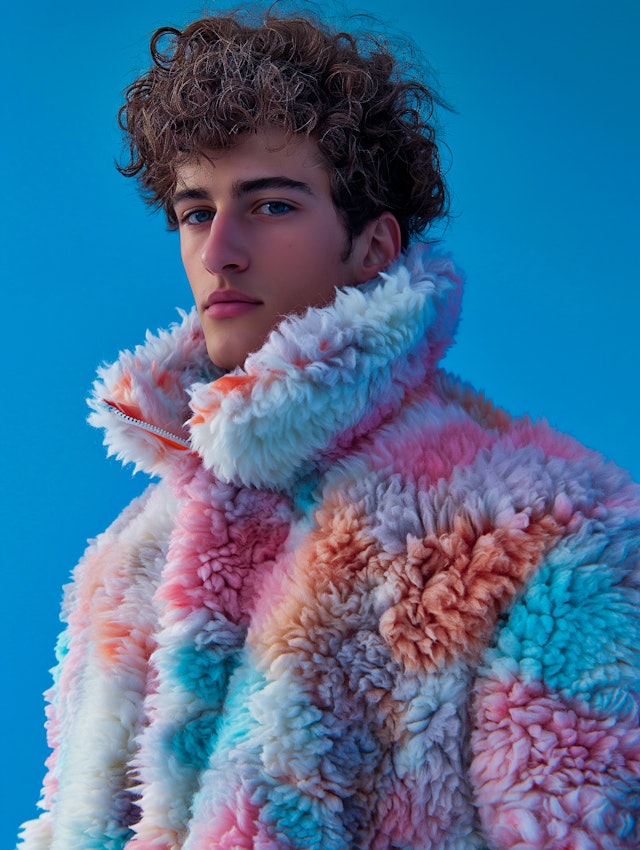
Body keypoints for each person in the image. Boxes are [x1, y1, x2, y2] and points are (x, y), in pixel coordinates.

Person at [17, 9, 640, 850]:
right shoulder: (128, 562)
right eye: (196, 212)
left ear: (374, 246)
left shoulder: (549, 539)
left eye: (271, 205)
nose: (221, 251)